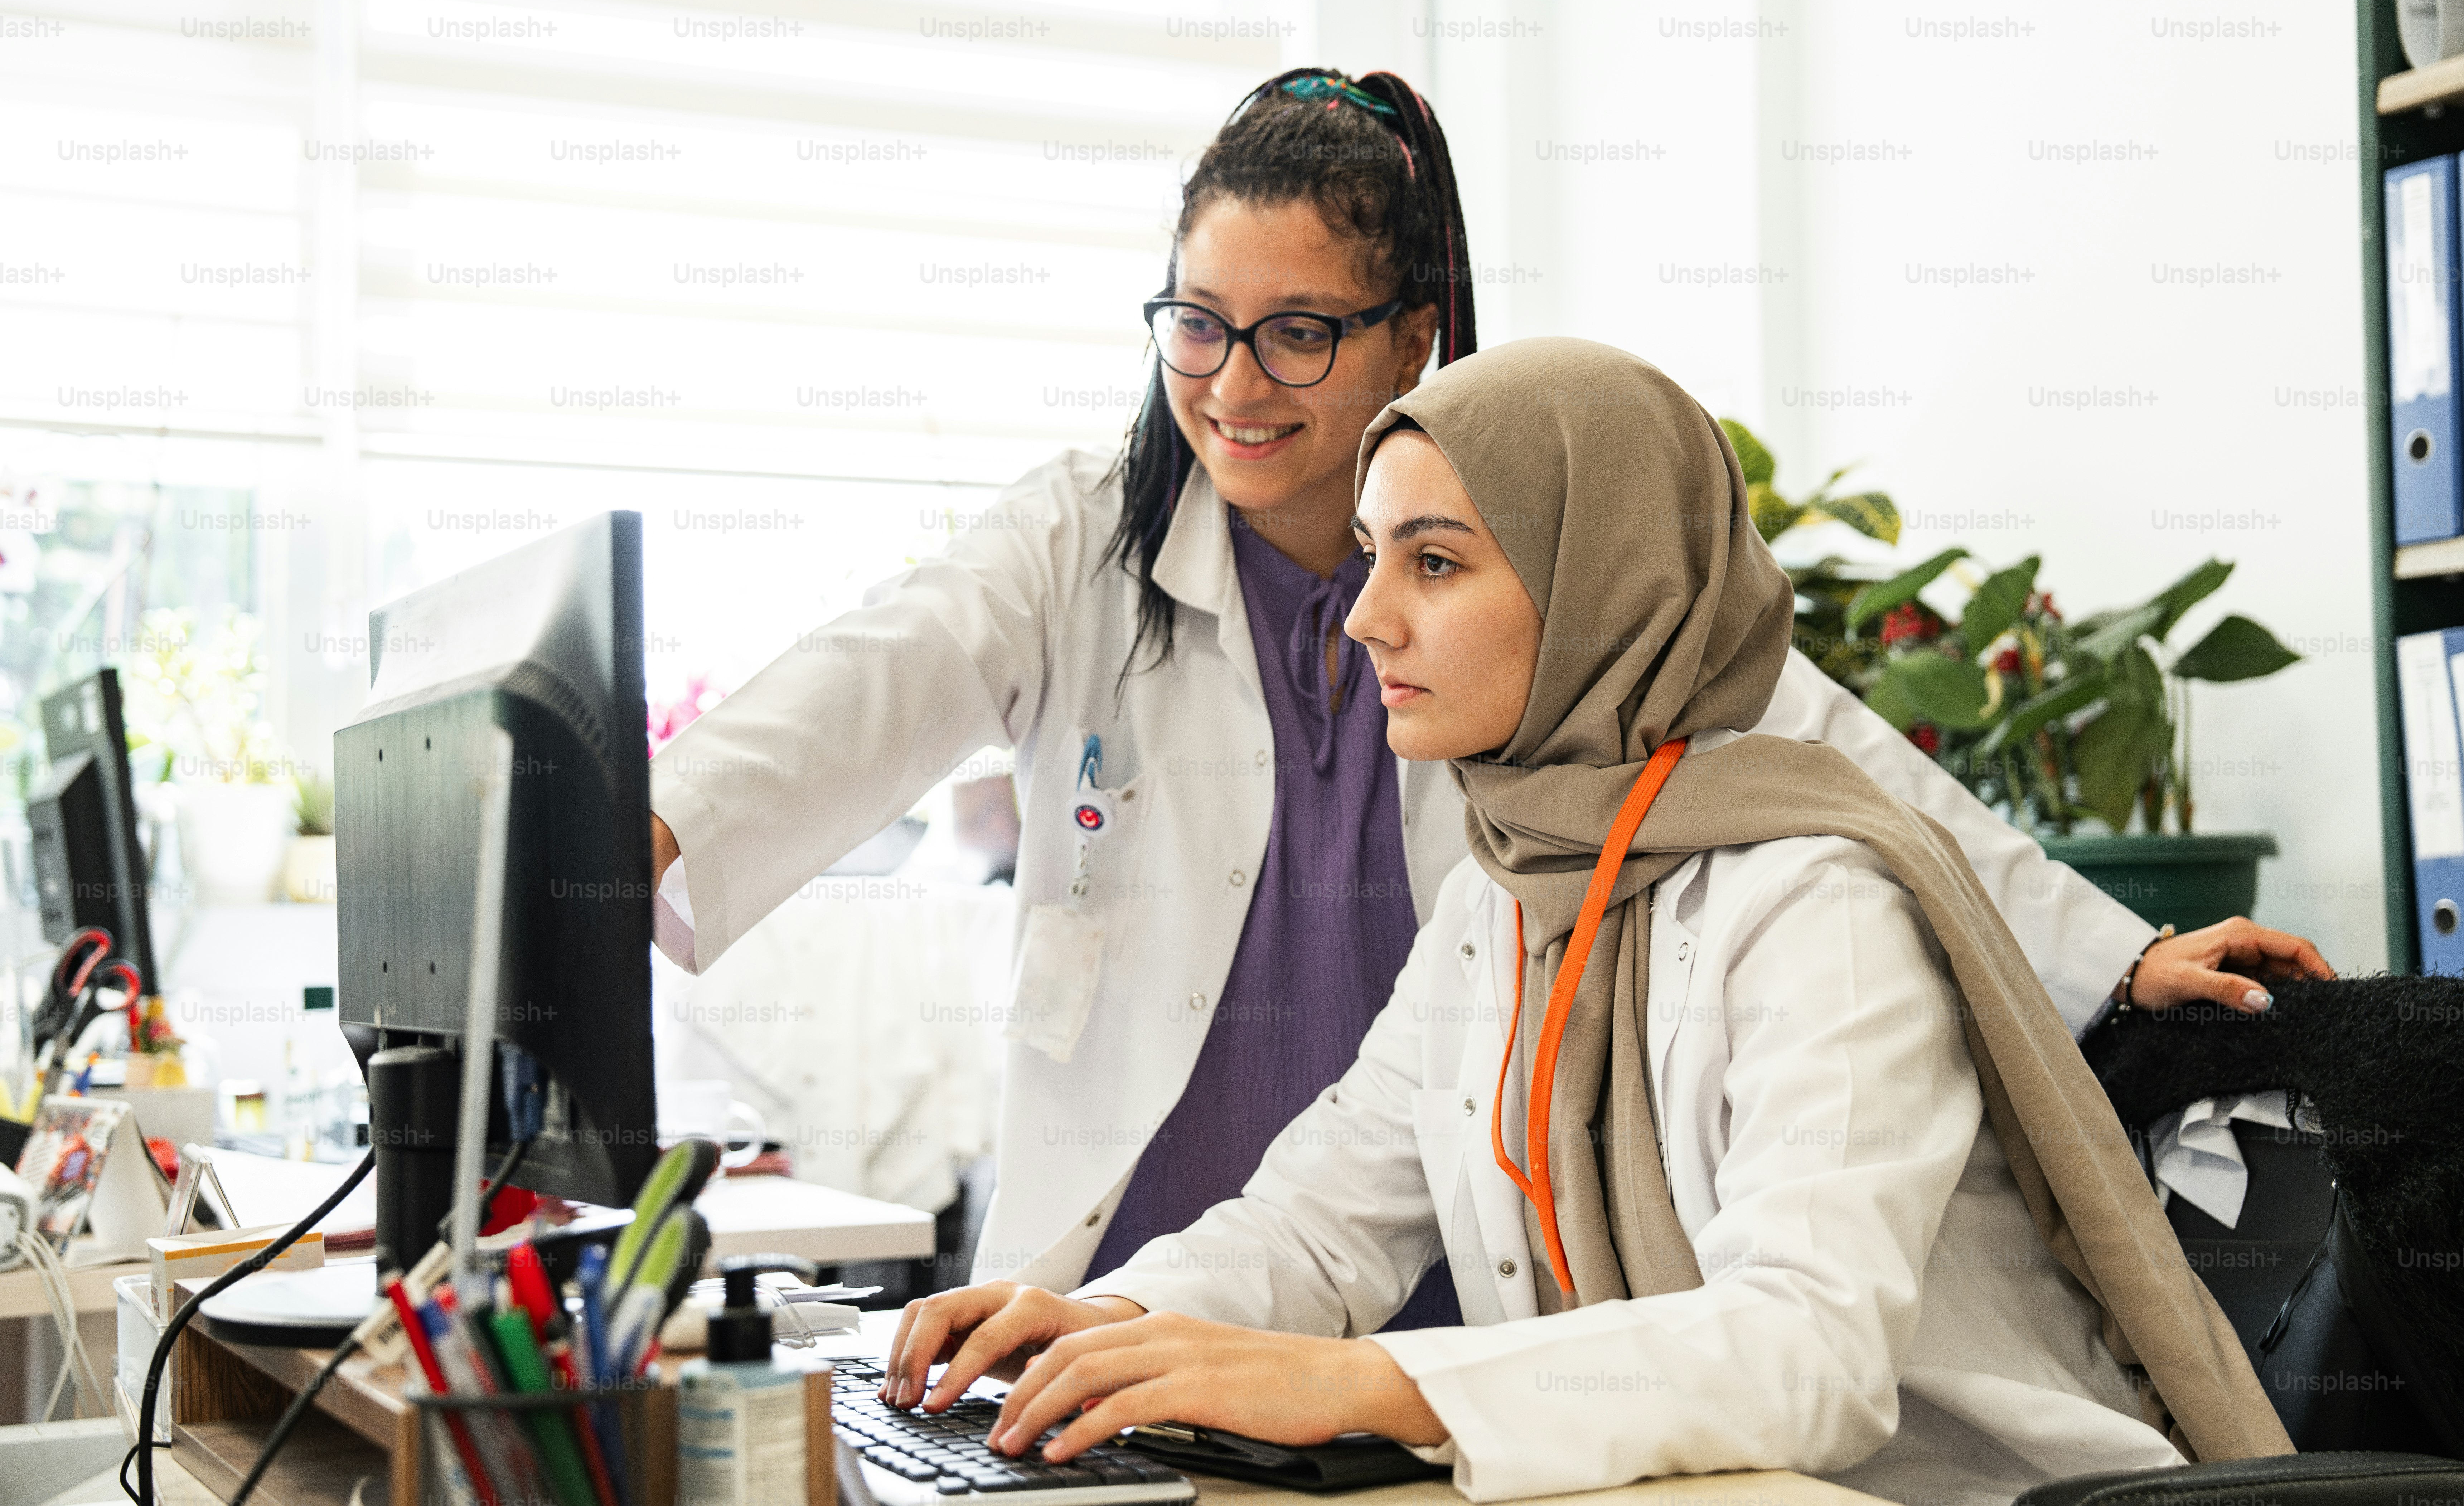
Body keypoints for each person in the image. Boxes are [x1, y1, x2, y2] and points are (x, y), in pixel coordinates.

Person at [646, 68, 2331, 1305]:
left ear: (1415, 335)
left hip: (1462, 1292)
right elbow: (862, 684)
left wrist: (2109, 955)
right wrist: (633, 834)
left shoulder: (1530, 561)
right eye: (1196, 324)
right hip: (1148, 1273)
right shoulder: (1085, 544)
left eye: (1296, 332)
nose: (1231, 386)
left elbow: (1804, 739)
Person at [876, 340, 2293, 1506]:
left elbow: (1810, 1346)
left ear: (1600, 591)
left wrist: (1380, 1381)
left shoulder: (1814, 903)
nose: (1364, 616)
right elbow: (1320, 1221)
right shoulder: (1501, 897)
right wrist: (1109, 1322)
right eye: (1370, 556)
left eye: (1432, 563)